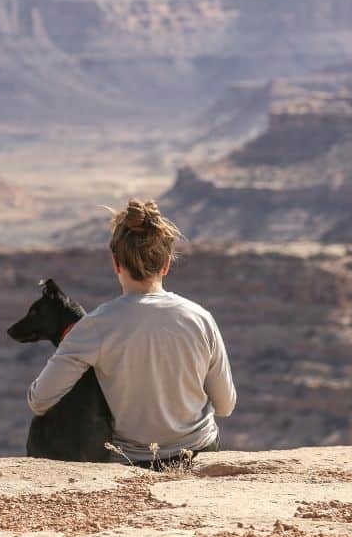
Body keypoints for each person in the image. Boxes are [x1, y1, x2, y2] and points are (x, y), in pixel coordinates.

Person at [27, 199, 236, 467]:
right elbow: (225, 406)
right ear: (165, 265)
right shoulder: (200, 318)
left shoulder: (95, 326)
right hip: (199, 453)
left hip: (134, 462)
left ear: (116, 263)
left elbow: (39, 400)